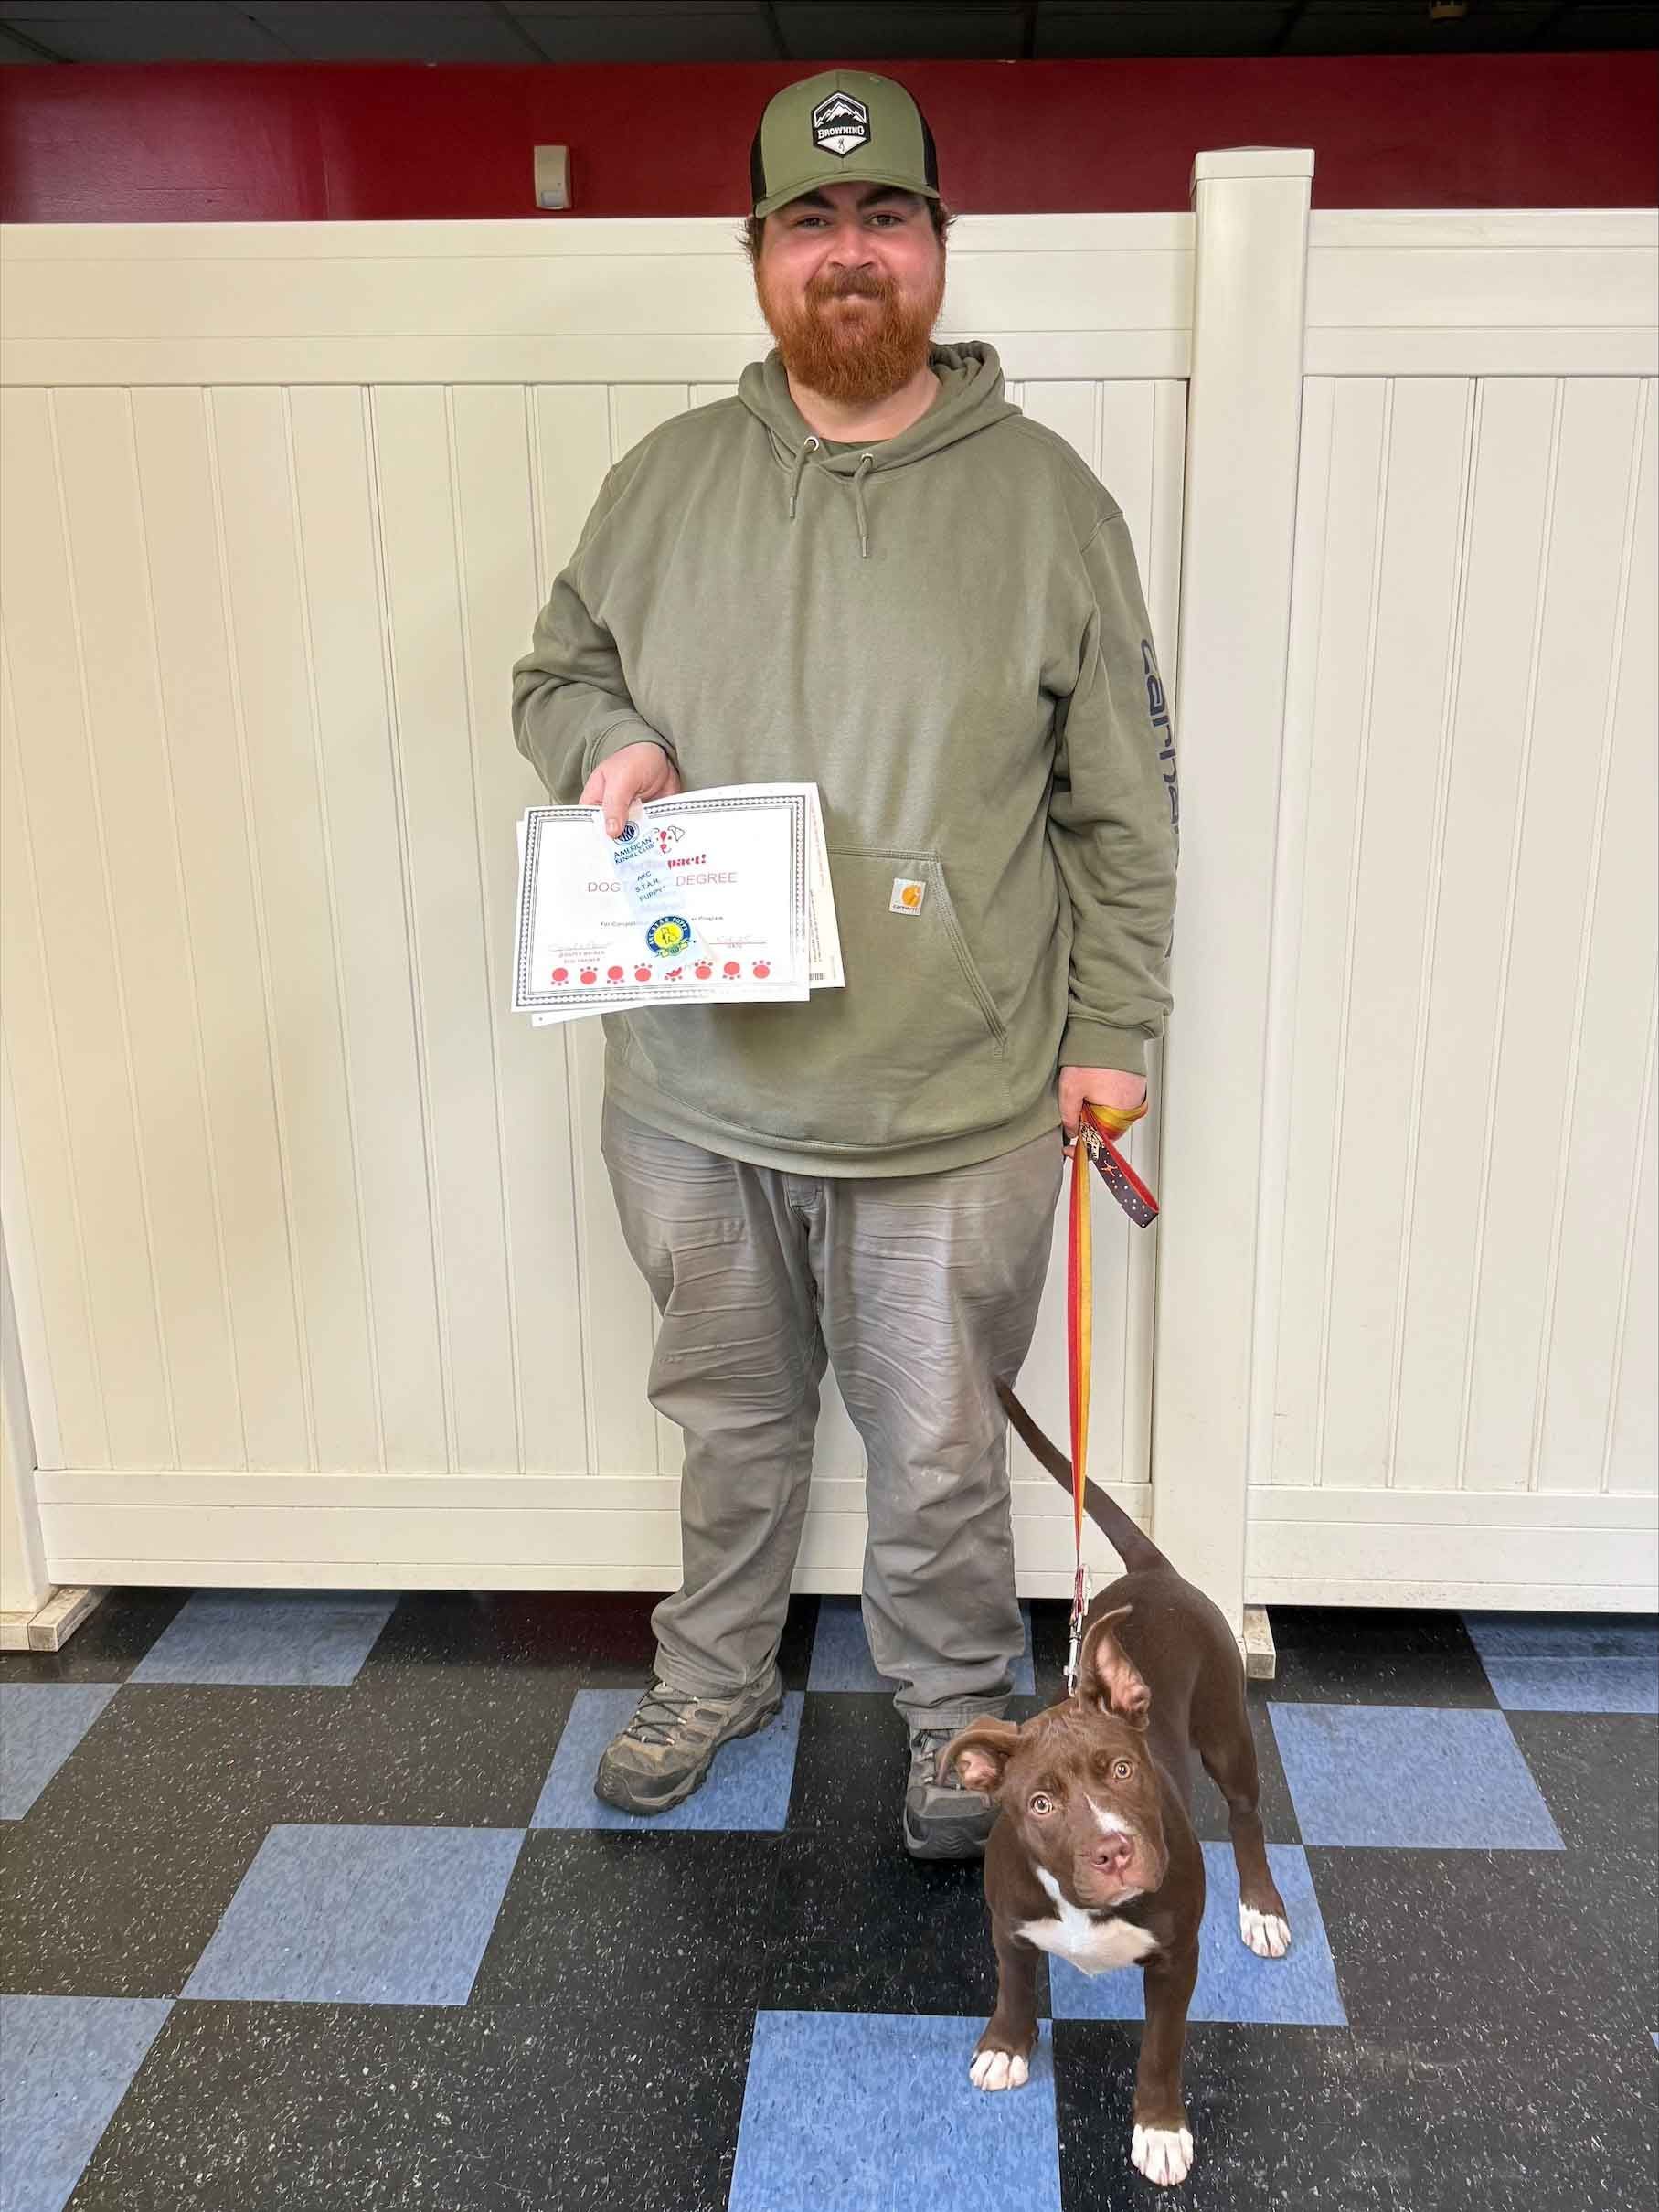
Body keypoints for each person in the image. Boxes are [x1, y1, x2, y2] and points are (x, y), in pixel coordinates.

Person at [511, 68, 1178, 1859]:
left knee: (942, 1453)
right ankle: (710, 1671)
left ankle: (958, 1723)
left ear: (939, 249)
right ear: (755, 257)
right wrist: (610, 753)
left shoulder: (1049, 505)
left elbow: (1124, 803)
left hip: (942, 1103)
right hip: (690, 1087)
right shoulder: (659, 484)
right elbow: (553, 675)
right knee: (725, 1418)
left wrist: (1111, 1029)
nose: (849, 254)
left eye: (884, 217)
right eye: (808, 223)